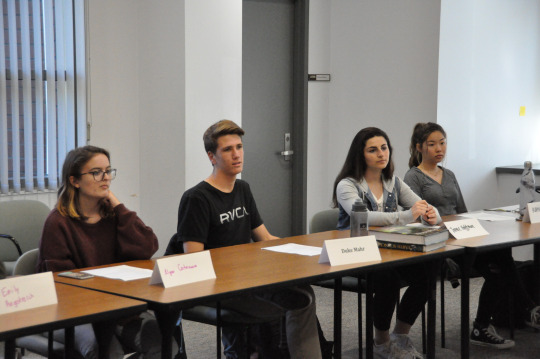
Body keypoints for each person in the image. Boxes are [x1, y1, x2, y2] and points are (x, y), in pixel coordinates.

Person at [166, 120, 322, 359]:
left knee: (300, 293)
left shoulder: (242, 189)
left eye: (239, 147)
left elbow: (264, 237)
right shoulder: (196, 198)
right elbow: (193, 259)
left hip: (246, 277)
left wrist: (302, 253)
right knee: (272, 309)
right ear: (212, 156)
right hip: (217, 283)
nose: (236, 154)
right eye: (227, 149)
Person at [404, 122, 540, 350]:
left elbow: (462, 212)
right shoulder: (413, 177)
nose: (440, 149)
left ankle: (482, 326)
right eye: (432, 144)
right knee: (500, 263)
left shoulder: (449, 174)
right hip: (438, 242)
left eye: (443, 143)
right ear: (419, 147)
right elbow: (415, 218)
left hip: (459, 236)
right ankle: (528, 309)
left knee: (500, 258)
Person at [37, 145, 162, 359]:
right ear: (74, 180)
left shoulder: (114, 215)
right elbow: (61, 282)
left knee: (162, 341)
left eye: (108, 171)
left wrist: (119, 206)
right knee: (106, 350)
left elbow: (147, 247)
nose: (105, 178)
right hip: (75, 312)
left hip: (118, 306)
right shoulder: (58, 222)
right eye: (96, 172)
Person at [333, 127, 441, 359]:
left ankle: (399, 337)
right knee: (387, 278)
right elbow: (361, 217)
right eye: (373, 150)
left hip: (388, 250)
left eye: (384, 148)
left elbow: (421, 205)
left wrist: (431, 215)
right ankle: (381, 343)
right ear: (360, 155)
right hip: (354, 252)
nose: (381, 154)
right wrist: (405, 216)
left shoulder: (393, 181)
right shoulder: (347, 185)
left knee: (427, 272)